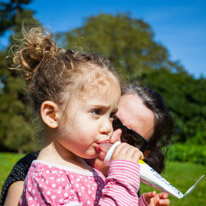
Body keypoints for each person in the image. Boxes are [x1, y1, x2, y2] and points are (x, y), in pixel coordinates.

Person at [5, 26, 153, 206]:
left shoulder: (86, 170)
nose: (108, 127)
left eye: (111, 115)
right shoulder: (47, 178)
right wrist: (123, 177)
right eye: (96, 112)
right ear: (52, 115)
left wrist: (140, 204)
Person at [1, 82, 172, 206]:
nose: (113, 136)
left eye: (132, 139)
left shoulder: (127, 184)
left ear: (144, 153)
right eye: (113, 120)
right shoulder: (38, 169)